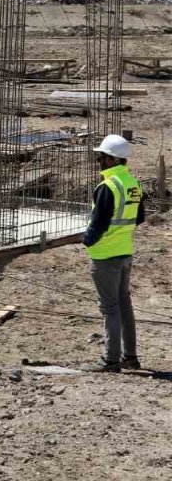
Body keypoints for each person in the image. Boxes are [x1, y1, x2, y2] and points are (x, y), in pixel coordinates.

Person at [81, 134, 146, 373]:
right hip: (125, 252)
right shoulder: (133, 184)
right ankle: (130, 357)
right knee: (124, 305)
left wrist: (87, 240)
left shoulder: (108, 186)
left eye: (101, 157)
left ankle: (111, 360)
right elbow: (138, 217)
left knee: (110, 309)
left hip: (105, 256)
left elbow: (98, 224)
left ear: (110, 160)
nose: (98, 161)